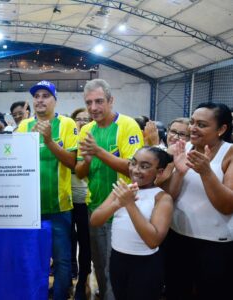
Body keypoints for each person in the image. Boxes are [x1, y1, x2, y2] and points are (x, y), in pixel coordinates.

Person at [75, 79, 143, 300]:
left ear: (111, 100)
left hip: (122, 212)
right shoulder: (86, 129)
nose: (93, 108)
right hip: (95, 209)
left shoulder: (128, 125)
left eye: (99, 101)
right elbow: (80, 172)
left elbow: (136, 170)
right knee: (100, 268)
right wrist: (86, 160)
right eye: (89, 103)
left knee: (114, 272)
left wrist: (98, 151)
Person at [164, 102, 233, 299]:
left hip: (214, 244)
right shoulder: (180, 148)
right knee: (176, 291)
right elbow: (169, 196)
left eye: (202, 125)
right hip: (178, 236)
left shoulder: (229, 153)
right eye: (193, 122)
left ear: (221, 129)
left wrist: (206, 172)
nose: (193, 128)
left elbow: (227, 206)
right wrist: (178, 174)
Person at [17, 80, 78, 300]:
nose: (40, 100)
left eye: (45, 95)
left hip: (59, 206)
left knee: (61, 259)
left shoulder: (67, 124)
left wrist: (49, 141)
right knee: (34, 258)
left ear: (55, 100)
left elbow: (73, 162)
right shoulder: (24, 126)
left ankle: (61, 295)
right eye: (36, 96)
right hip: (28, 208)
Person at [90, 147, 173, 300]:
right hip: (118, 259)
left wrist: (129, 204)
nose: (136, 170)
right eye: (133, 163)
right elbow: (95, 220)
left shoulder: (161, 198)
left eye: (145, 166)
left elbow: (153, 241)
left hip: (145, 264)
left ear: (159, 172)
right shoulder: (122, 190)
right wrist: (116, 204)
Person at [69, 108, 92, 300]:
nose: (82, 122)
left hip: (86, 201)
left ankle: (83, 281)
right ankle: (69, 277)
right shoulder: (68, 141)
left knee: (85, 243)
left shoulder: (92, 143)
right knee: (68, 242)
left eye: (87, 119)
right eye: (79, 119)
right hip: (66, 200)